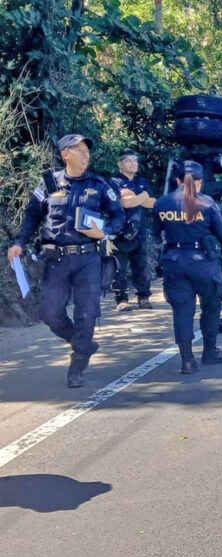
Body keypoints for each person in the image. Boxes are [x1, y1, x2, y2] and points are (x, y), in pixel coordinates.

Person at [6, 134, 125, 387]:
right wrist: (19, 243)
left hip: (88, 259)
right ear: (65, 155)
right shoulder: (49, 183)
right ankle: (83, 343)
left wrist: (104, 232)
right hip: (56, 260)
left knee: (87, 313)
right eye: (80, 150)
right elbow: (32, 216)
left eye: (87, 150)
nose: (86, 155)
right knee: (49, 313)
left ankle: (78, 365)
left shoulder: (99, 184)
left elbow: (118, 216)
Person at [153, 160, 222, 374]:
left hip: (174, 262)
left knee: (182, 312)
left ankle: (187, 361)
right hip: (203, 262)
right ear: (199, 182)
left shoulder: (162, 203)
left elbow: (155, 232)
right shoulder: (206, 203)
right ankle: (210, 352)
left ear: (177, 180)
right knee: (211, 307)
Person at [108, 149, 156, 311]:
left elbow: (152, 203)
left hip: (139, 230)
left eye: (135, 160)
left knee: (141, 266)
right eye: (128, 160)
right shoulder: (114, 182)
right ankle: (121, 299)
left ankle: (143, 297)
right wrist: (142, 196)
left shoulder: (141, 181)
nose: (133, 163)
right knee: (119, 268)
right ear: (120, 164)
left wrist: (136, 196)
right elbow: (124, 203)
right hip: (120, 231)